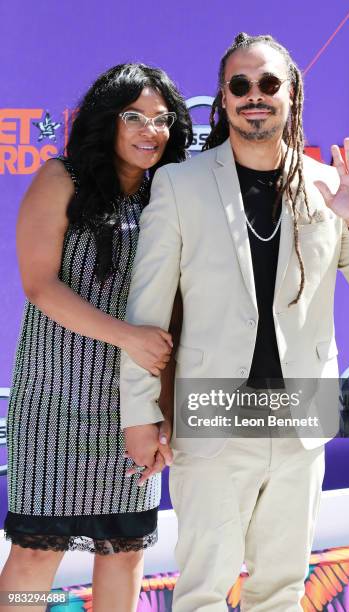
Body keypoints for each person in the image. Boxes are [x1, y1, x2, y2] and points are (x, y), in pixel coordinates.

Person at [120, 34, 349, 612]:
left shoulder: (329, 186)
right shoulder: (179, 185)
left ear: (291, 95)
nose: (255, 95)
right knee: (202, 591)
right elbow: (146, 314)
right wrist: (140, 413)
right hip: (213, 416)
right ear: (222, 99)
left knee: (280, 591)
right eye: (240, 84)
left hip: (300, 418)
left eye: (269, 83)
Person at [0, 63, 192, 612]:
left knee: (127, 551)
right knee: (35, 554)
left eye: (161, 120)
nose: (148, 130)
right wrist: (126, 336)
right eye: (134, 116)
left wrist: (166, 411)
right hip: (54, 397)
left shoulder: (171, 194)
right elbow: (38, 285)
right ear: (108, 121)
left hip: (132, 404)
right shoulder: (62, 178)